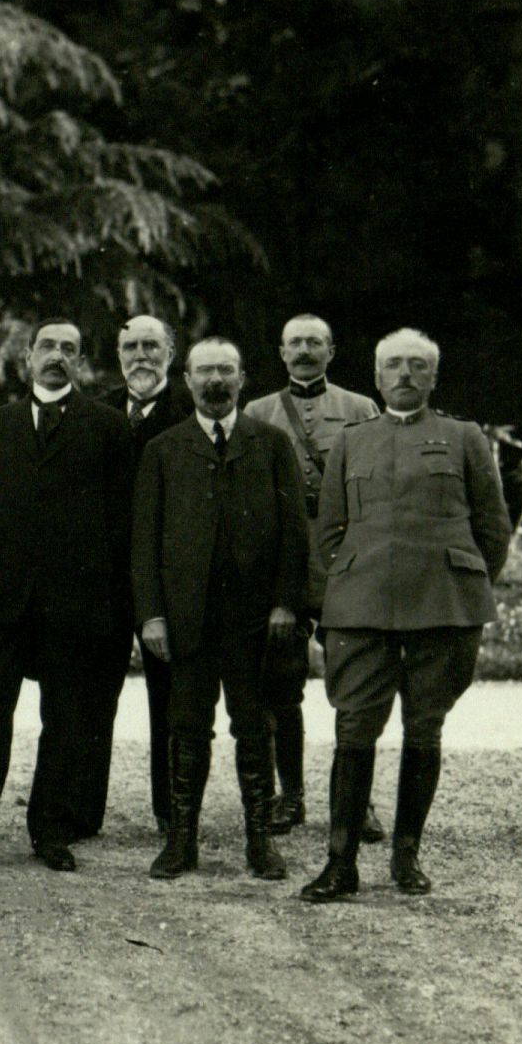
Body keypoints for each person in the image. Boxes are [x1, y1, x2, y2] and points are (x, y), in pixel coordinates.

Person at [299, 329, 511, 903]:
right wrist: (344, 588)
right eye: (393, 364)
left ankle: (406, 857)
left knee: (424, 727)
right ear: (376, 376)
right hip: (361, 607)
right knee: (353, 729)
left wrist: (461, 585)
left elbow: (493, 530)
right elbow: (328, 532)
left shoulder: (463, 438)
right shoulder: (352, 441)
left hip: (442, 607)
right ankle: (340, 864)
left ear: (434, 377)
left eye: (418, 365)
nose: (405, 375)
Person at [0, 318, 133, 877]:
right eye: (47, 346)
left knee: (63, 721)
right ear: (28, 359)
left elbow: (119, 520)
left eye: (69, 348)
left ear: (80, 362)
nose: (56, 355)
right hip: (6, 603)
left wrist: (96, 592)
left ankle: (51, 832)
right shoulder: (1, 423)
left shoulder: (108, 427)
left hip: (73, 605)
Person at [133, 337, 307, 881]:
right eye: (205, 372)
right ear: (187, 381)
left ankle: (261, 842)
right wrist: (152, 615)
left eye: (225, 371)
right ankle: (181, 842)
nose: (215, 381)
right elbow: (144, 541)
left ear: (242, 379)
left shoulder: (270, 444)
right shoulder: (164, 449)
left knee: (254, 727)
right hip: (188, 617)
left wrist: (286, 603)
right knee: (186, 728)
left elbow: (294, 534)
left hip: (254, 620)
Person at [243, 314, 383, 837]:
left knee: (356, 688)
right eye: (294, 343)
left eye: (314, 342)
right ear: (281, 353)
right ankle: (291, 796)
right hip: (281, 565)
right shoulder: (257, 412)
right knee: (281, 687)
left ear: (331, 351)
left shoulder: (360, 409)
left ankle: (357, 801)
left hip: (343, 561)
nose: (304, 350)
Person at [94, 314, 196, 838]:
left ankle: (173, 812)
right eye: (131, 347)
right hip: (105, 581)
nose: (141, 356)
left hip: (167, 581)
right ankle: (81, 813)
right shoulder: (96, 413)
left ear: (171, 353)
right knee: (92, 697)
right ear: (118, 355)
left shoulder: (190, 413)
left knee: (172, 699)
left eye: (151, 346)